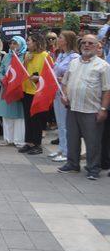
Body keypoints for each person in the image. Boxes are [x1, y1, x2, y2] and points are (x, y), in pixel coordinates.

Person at [58, 34, 110, 180]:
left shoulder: (103, 66)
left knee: (93, 141)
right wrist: (64, 96)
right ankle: (72, 164)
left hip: (92, 110)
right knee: (72, 138)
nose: (86, 45)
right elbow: (66, 82)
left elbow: (107, 90)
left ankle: (93, 168)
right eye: (84, 43)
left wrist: (104, 109)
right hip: (73, 108)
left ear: (96, 46)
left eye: (90, 43)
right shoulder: (74, 63)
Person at [49, 31, 79, 162]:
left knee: (66, 124)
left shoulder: (74, 57)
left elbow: (75, 75)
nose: (58, 39)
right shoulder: (61, 55)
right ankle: (61, 148)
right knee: (60, 123)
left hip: (66, 93)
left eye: (60, 37)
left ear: (67, 40)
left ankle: (67, 152)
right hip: (57, 91)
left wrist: (64, 78)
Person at [18, 33, 50, 155]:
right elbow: (23, 71)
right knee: (28, 117)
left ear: (37, 42)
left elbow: (49, 74)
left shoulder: (45, 56)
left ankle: (37, 144)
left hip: (38, 92)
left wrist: (39, 78)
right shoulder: (27, 54)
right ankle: (29, 142)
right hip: (27, 90)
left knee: (36, 119)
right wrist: (25, 61)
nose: (27, 43)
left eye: (29, 41)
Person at [0, 36, 27, 148]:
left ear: (21, 45)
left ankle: (19, 140)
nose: (12, 46)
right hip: (6, 87)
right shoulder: (7, 57)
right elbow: (0, 71)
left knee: (19, 115)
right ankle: (7, 139)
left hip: (18, 88)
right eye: (11, 43)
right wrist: (3, 79)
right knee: (6, 113)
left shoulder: (25, 57)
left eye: (15, 43)